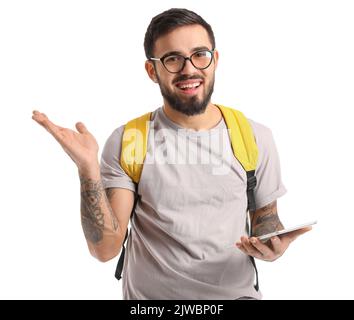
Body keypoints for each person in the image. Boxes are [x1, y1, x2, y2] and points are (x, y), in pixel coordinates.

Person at [32, 8, 311, 300]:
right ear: (153, 70)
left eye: (199, 54)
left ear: (214, 60)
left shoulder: (253, 136)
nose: (189, 69)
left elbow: (265, 221)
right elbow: (105, 249)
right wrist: (87, 167)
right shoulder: (130, 140)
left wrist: (272, 244)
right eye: (173, 59)